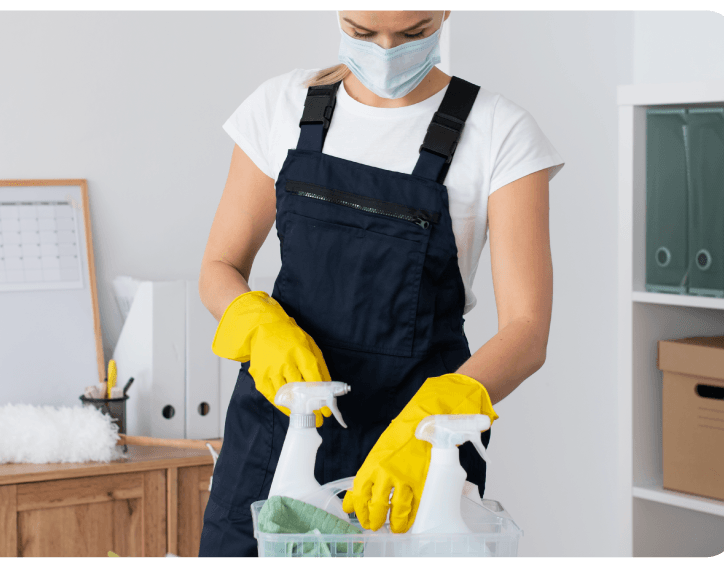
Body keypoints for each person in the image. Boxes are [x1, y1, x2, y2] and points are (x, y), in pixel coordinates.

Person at [197, 9, 564, 558]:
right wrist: (258, 325)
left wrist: (444, 410)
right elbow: (219, 267)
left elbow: (527, 328)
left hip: (418, 446)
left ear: (443, 12)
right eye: (362, 33)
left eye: (414, 33)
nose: (387, 52)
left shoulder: (499, 131)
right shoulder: (281, 106)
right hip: (278, 433)